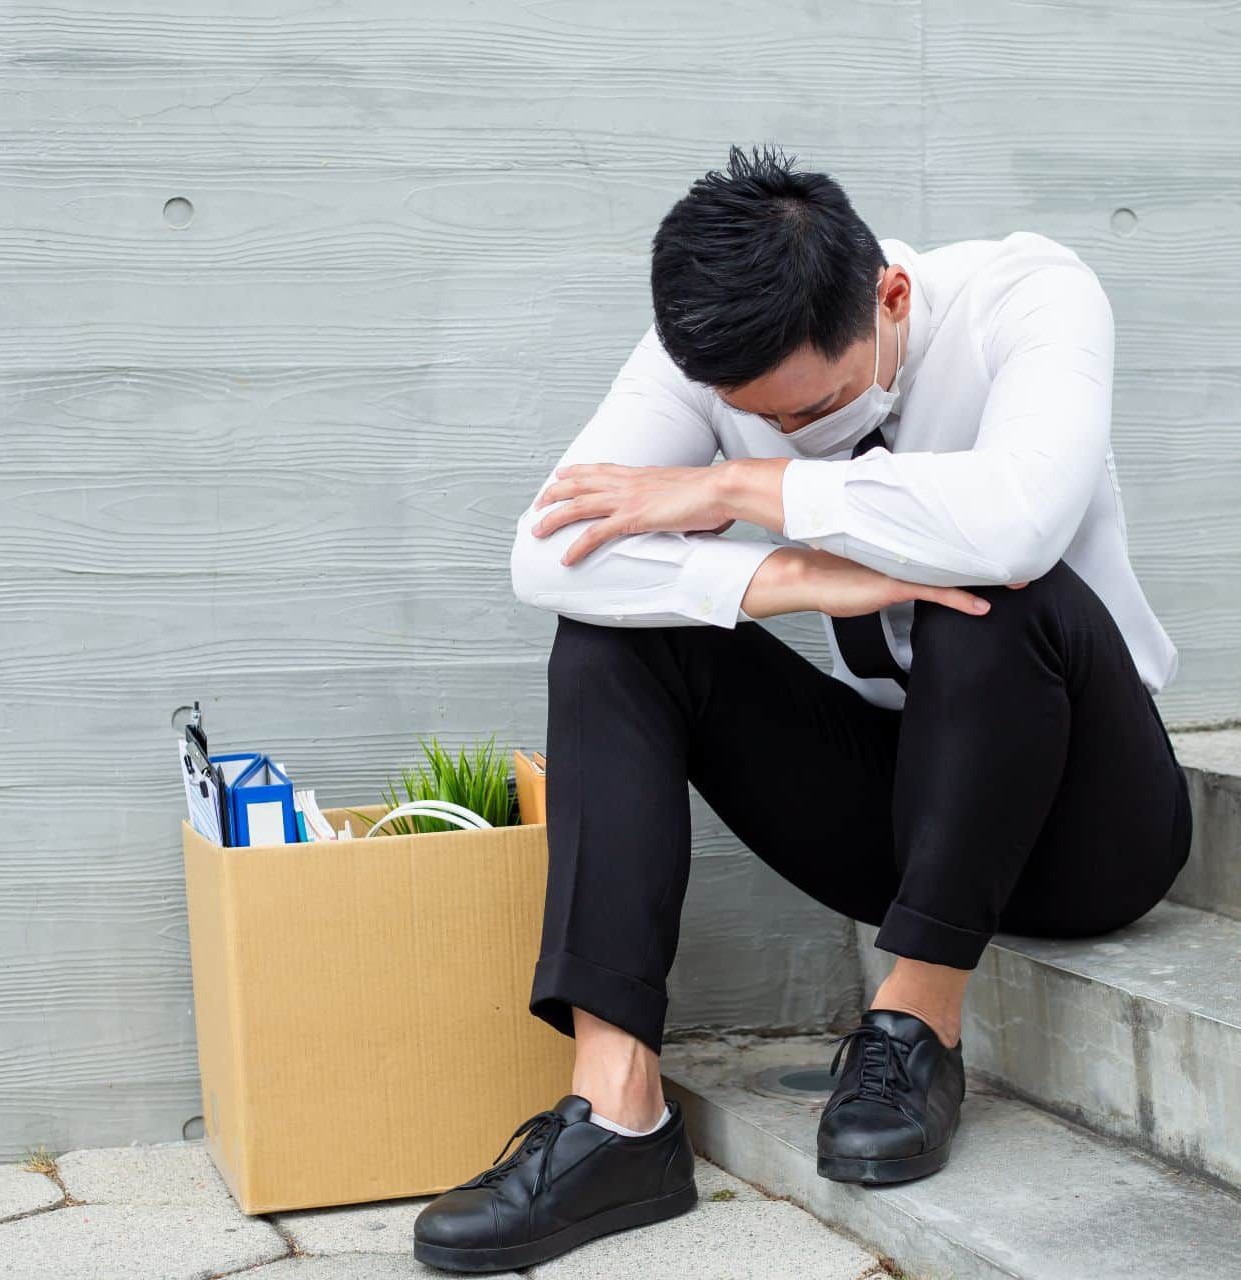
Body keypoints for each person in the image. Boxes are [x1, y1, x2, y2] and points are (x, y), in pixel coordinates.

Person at [410, 143, 1191, 1273]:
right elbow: (549, 554)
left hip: (1091, 816)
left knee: (996, 588)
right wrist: (800, 577)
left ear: (891, 297)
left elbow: (1017, 517)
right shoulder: (712, 349)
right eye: (756, 424)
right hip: (909, 804)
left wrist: (738, 488)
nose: (795, 433)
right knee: (608, 645)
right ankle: (618, 1113)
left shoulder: (1032, 294)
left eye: (818, 409)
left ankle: (915, 1023)